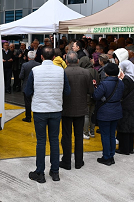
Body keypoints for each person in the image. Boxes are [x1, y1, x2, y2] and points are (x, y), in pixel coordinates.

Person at [24, 47, 71, 183]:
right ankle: (55, 172)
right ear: (53, 57)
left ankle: (40, 172)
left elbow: (28, 91)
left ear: (42, 57)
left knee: (41, 141)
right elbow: (67, 91)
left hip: (40, 110)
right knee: (54, 141)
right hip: (55, 109)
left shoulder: (35, 71)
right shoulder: (61, 71)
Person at [60, 51, 95, 170]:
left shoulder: (63, 72)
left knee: (66, 136)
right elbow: (91, 90)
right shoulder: (86, 72)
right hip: (81, 108)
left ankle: (66, 161)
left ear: (66, 61)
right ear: (78, 61)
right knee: (78, 136)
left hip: (66, 108)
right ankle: (79, 161)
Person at [93, 63, 124, 166]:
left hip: (105, 112)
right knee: (112, 135)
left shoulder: (104, 83)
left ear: (106, 73)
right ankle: (111, 155)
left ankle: (106, 157)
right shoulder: (120, 83)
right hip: (116, 110)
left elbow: (96, 96)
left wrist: (95, 88)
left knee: (105, 135)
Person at [113, 48, 134, 155]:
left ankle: (124, 149)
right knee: (130, 129)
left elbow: (121, 92)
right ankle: (130, 148)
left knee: (124, 128)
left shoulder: (126, 80)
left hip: (126, 106)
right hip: (133, 106)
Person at [19, 51, 40, 122]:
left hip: (26, 85)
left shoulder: (24, 65)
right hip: (37, 86)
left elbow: (21, 76)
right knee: (37, 102)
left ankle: (28, 117)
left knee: (27, 102)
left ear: (28, 57)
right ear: (35, 56)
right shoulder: (39, 65)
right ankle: (37, 117)